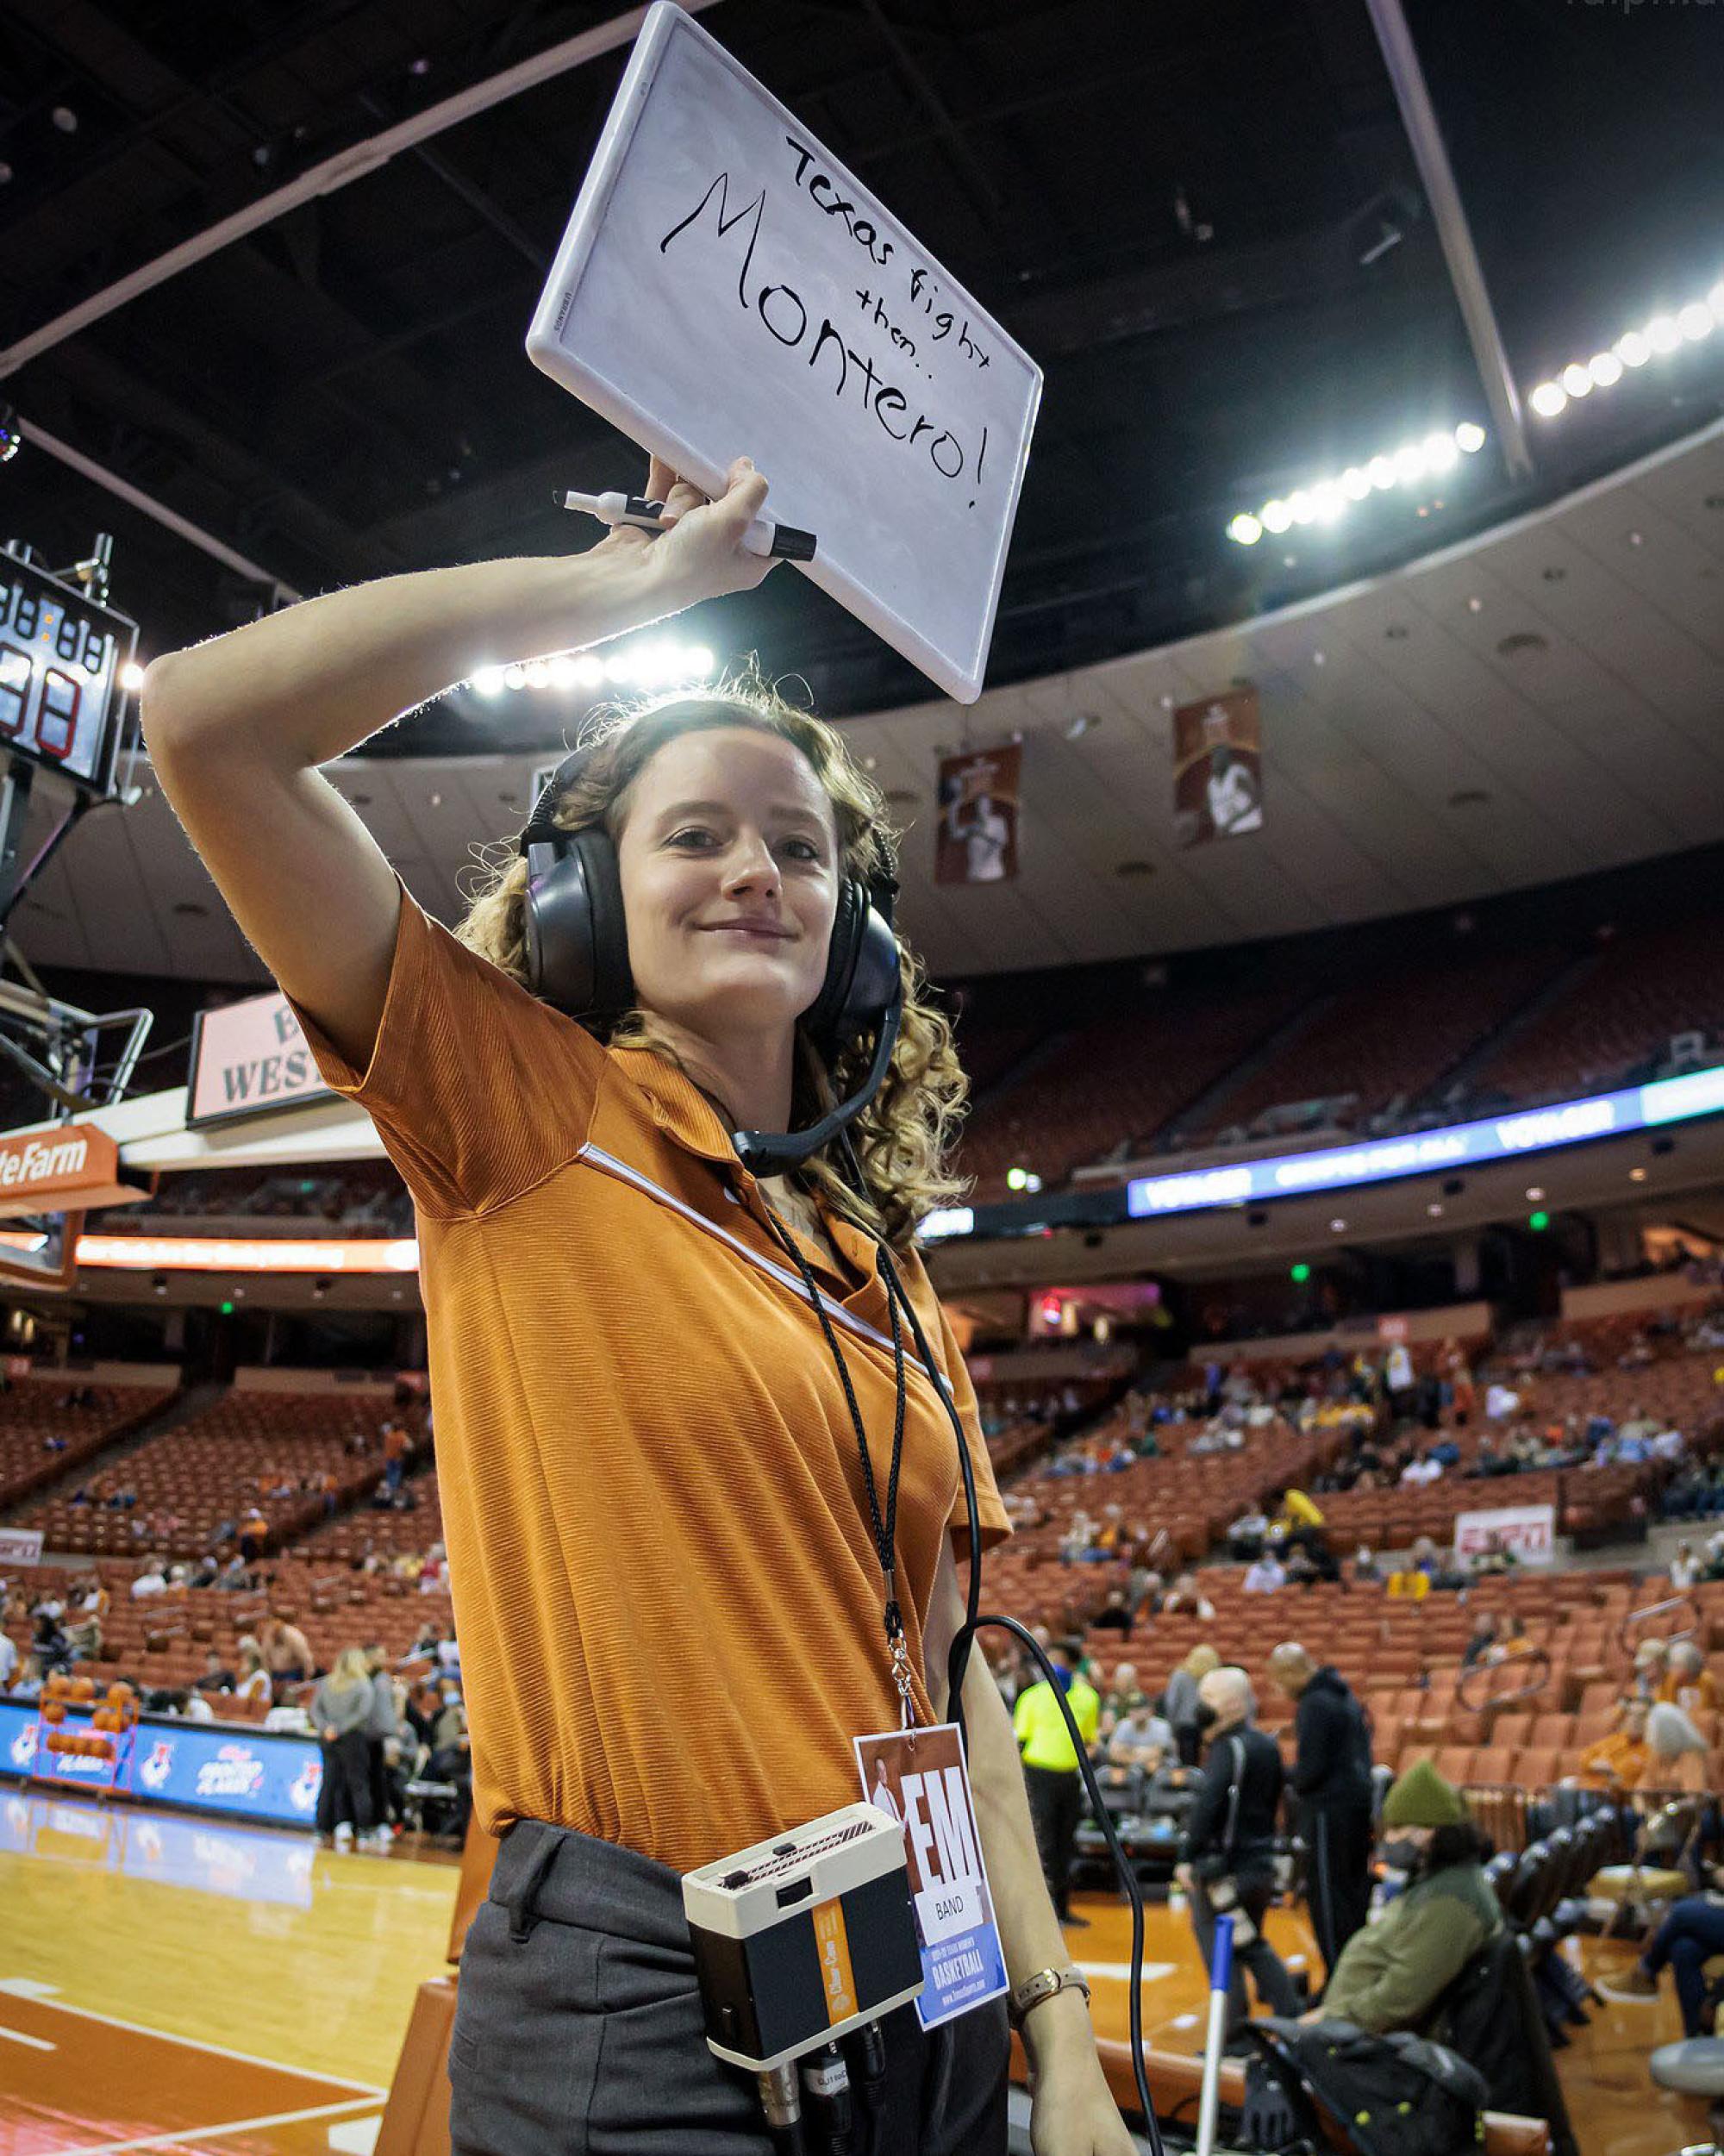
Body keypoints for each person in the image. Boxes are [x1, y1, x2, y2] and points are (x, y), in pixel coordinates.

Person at [142, 451, 1133, 2156]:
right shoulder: (521, 1110)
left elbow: (954, 1687)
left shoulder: (892, 1274)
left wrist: (1066, 2044)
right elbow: (205, 722)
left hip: (928, 1995)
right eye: (698, 832)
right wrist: (621, 595)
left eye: (803, 846)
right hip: (643, 1997)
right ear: (591, 896)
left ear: (856, 938)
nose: (760, 868)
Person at [1313, 1761, 1502, 2034]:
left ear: (1428, 1831)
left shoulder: (1452, 1903)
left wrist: (1327, 2021)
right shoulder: (1443, 1880)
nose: (1388, 1840)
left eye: (1396, 1830)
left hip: (1372, 2045)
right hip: (1358, 2030)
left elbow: (1399, 1998)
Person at [1175, 1666, 1301, 2040]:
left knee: (1225, 1953)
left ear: (1232, 1704)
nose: (1201, 1706)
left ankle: (1236, 2037)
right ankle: (1284, 2016)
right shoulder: (1266, 1745)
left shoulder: (1228, 1749)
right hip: (1260, 1865)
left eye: (1208, 1697)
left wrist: (1187, 1855)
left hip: (1224, 1872)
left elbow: (1209, 1805)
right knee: (1248, 1944)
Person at [1268, 1643, 1374, 1981]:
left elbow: (1311, 1771)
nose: (1279, 1690)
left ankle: (1337, 1982)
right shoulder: (1343, 1696)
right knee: (1354, 1896)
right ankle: (1354, 1977)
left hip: (1330, 1811)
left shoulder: (1314, 1704)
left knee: (1329, 1899)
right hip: (1356, 1807)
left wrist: (1281, 1775)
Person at [1013, 1638, 1102, 1928]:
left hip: (1069, 1778)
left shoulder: (1088, 1698)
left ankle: (1063, 1910)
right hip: (1039, 1775)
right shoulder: (1031, 1697)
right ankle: (1041, 1915)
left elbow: (1089, 1740)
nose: (1053, 1666)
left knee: (1066, 1844)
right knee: (1044, 1844)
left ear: (1074, 1665)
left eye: (1060, 1660)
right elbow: (1020, 1739)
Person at [312, 1647, 379, 1851]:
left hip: (328, 1738)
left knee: (328, 1783)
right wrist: (340, 1729)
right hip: (352, 1739)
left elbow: (315, 1709)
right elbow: (362, 1713)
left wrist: (326, 1728)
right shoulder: (363, 1685)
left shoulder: (326, 1683)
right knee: (358, 1783)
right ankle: (364, 1829)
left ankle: (321, 1828)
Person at [1574, 1697, 1650, 1791]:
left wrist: (1613, 1777)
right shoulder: (1615, 1740)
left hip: (1619, 1801)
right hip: (1592, 1792)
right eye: (1631, 1714)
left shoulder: (1652, 1751)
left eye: (1641, 1716)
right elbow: (1584, 1757)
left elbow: (1639, 1788)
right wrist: (1593, 1764)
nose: (1635, 1720)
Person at [1165, 1644, 1221, 1766]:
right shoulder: (1214, 1677)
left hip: (1184, 1724)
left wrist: (1171, 1725)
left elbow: (1171, 1702)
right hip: (1206, 1724)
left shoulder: (1180, 1675)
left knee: (1186, 1760)